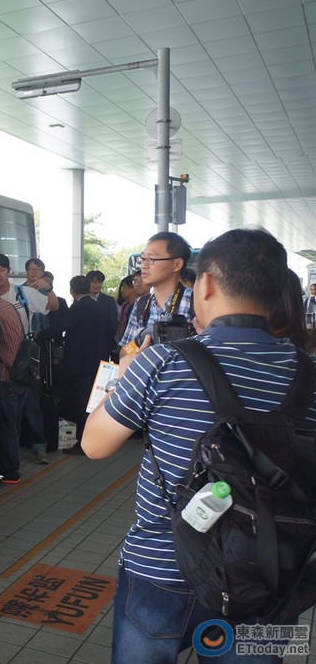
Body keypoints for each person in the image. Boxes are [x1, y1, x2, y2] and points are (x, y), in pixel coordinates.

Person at [82, 228, 316, 663]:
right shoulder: (310, 374)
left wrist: (124, 374)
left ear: (205, 283)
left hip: (161, 565)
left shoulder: (161, 362)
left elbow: (93, 445)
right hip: (271, 572)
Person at [0, 254, 57, 480]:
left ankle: (32, 452)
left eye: (1, 270)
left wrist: (48, 288)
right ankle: (6, 464)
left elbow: (52, 305)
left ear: (8, 271)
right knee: (9, 419)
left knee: (24, 410)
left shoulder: (21, 293)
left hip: (23, 363)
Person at [35, 276, 108, 455]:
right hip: (95, 361)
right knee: (91, 402)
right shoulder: (98, 306)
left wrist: (38, 335)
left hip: (80, 363)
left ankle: (83, 442)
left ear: (72, 290)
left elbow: (61, 325)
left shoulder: (80, 306)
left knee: (82, 402)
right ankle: (93, 438)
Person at [0, 269, 41, 475]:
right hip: (23, 374)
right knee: (14, 426)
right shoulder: (9, 305)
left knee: (7, 427)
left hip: (8, 376)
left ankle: (9, 472)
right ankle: (9, 466)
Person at [119, 231, 194, 356]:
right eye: (143, 259)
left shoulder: (196, 301)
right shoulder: (141, 304)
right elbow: (125, 351)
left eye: (151, 259)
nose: (144, 265)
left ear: (177, 264)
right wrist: (136, 350)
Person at [85, 270, 119, 356]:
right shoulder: (82, 299)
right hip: (84, 344)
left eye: (99, 282)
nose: (96, 285)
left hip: (103, 344)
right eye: (93, 282)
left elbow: (112, 324)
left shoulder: (109, 301)